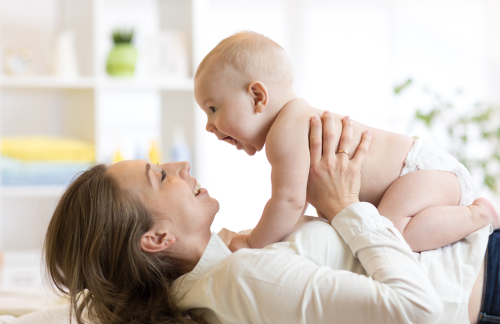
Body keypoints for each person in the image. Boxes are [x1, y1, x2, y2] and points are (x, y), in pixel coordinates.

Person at [44, 113, 495, 324]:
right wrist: (345, 206)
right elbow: (417, 310)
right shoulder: (244, 278)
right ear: (158, 238)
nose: (181, 168)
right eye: (160, 177)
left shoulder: (232, 262)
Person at [193, 31, 499, 253]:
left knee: (390, 236)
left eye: (213, 108)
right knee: (378, 231)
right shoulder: (292, 124)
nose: (208, 125)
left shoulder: (285, 132)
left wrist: (251, 242)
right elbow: (297, 212)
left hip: (421, 173)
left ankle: (478, 214)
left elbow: (288, 204)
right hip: (420, 175)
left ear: (257, 97)